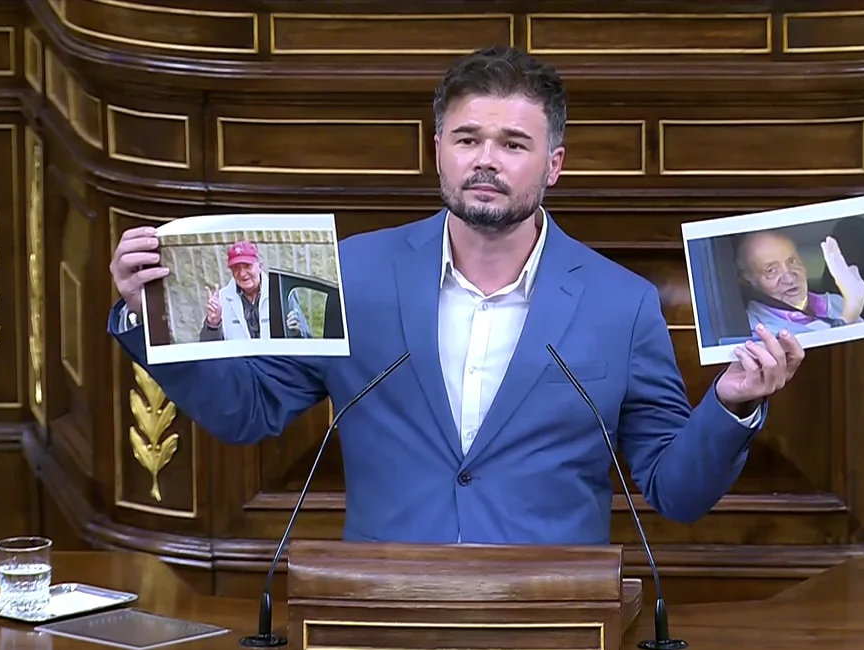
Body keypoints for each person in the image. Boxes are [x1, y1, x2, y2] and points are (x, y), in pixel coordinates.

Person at [107, 45, 804, 545]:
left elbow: (674, 493)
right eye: (467, 138)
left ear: (553, 165)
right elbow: (247, 412)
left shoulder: (621, 303)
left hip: (554, 622)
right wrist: (154, 314)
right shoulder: (353, 274)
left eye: (512, 144)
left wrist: (732, 405)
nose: (486, 161)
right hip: (382, 610)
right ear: (437, 147)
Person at [733, 230, 864, 336]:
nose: (789, 278)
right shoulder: (752, 327)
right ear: (747, 281)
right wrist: (849, 314)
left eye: (792, 261)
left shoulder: (837, 301)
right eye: (771, 270)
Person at [199, 241, 310, 342]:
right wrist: (213, 324)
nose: (242, 274)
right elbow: (208, 349)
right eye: (236, 268)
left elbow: (306, 338)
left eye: (247, 266)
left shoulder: (281, 293)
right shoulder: (222, 299)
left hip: (274, 363)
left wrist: (297, 331)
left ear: (259, 266)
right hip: (238, 364)